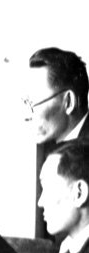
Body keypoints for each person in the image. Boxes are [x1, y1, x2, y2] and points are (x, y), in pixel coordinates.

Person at [25, 47, 89, 238]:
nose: (26, 116)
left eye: (33, 104)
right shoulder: (47, 148)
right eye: (26, 102)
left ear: (68, 102)